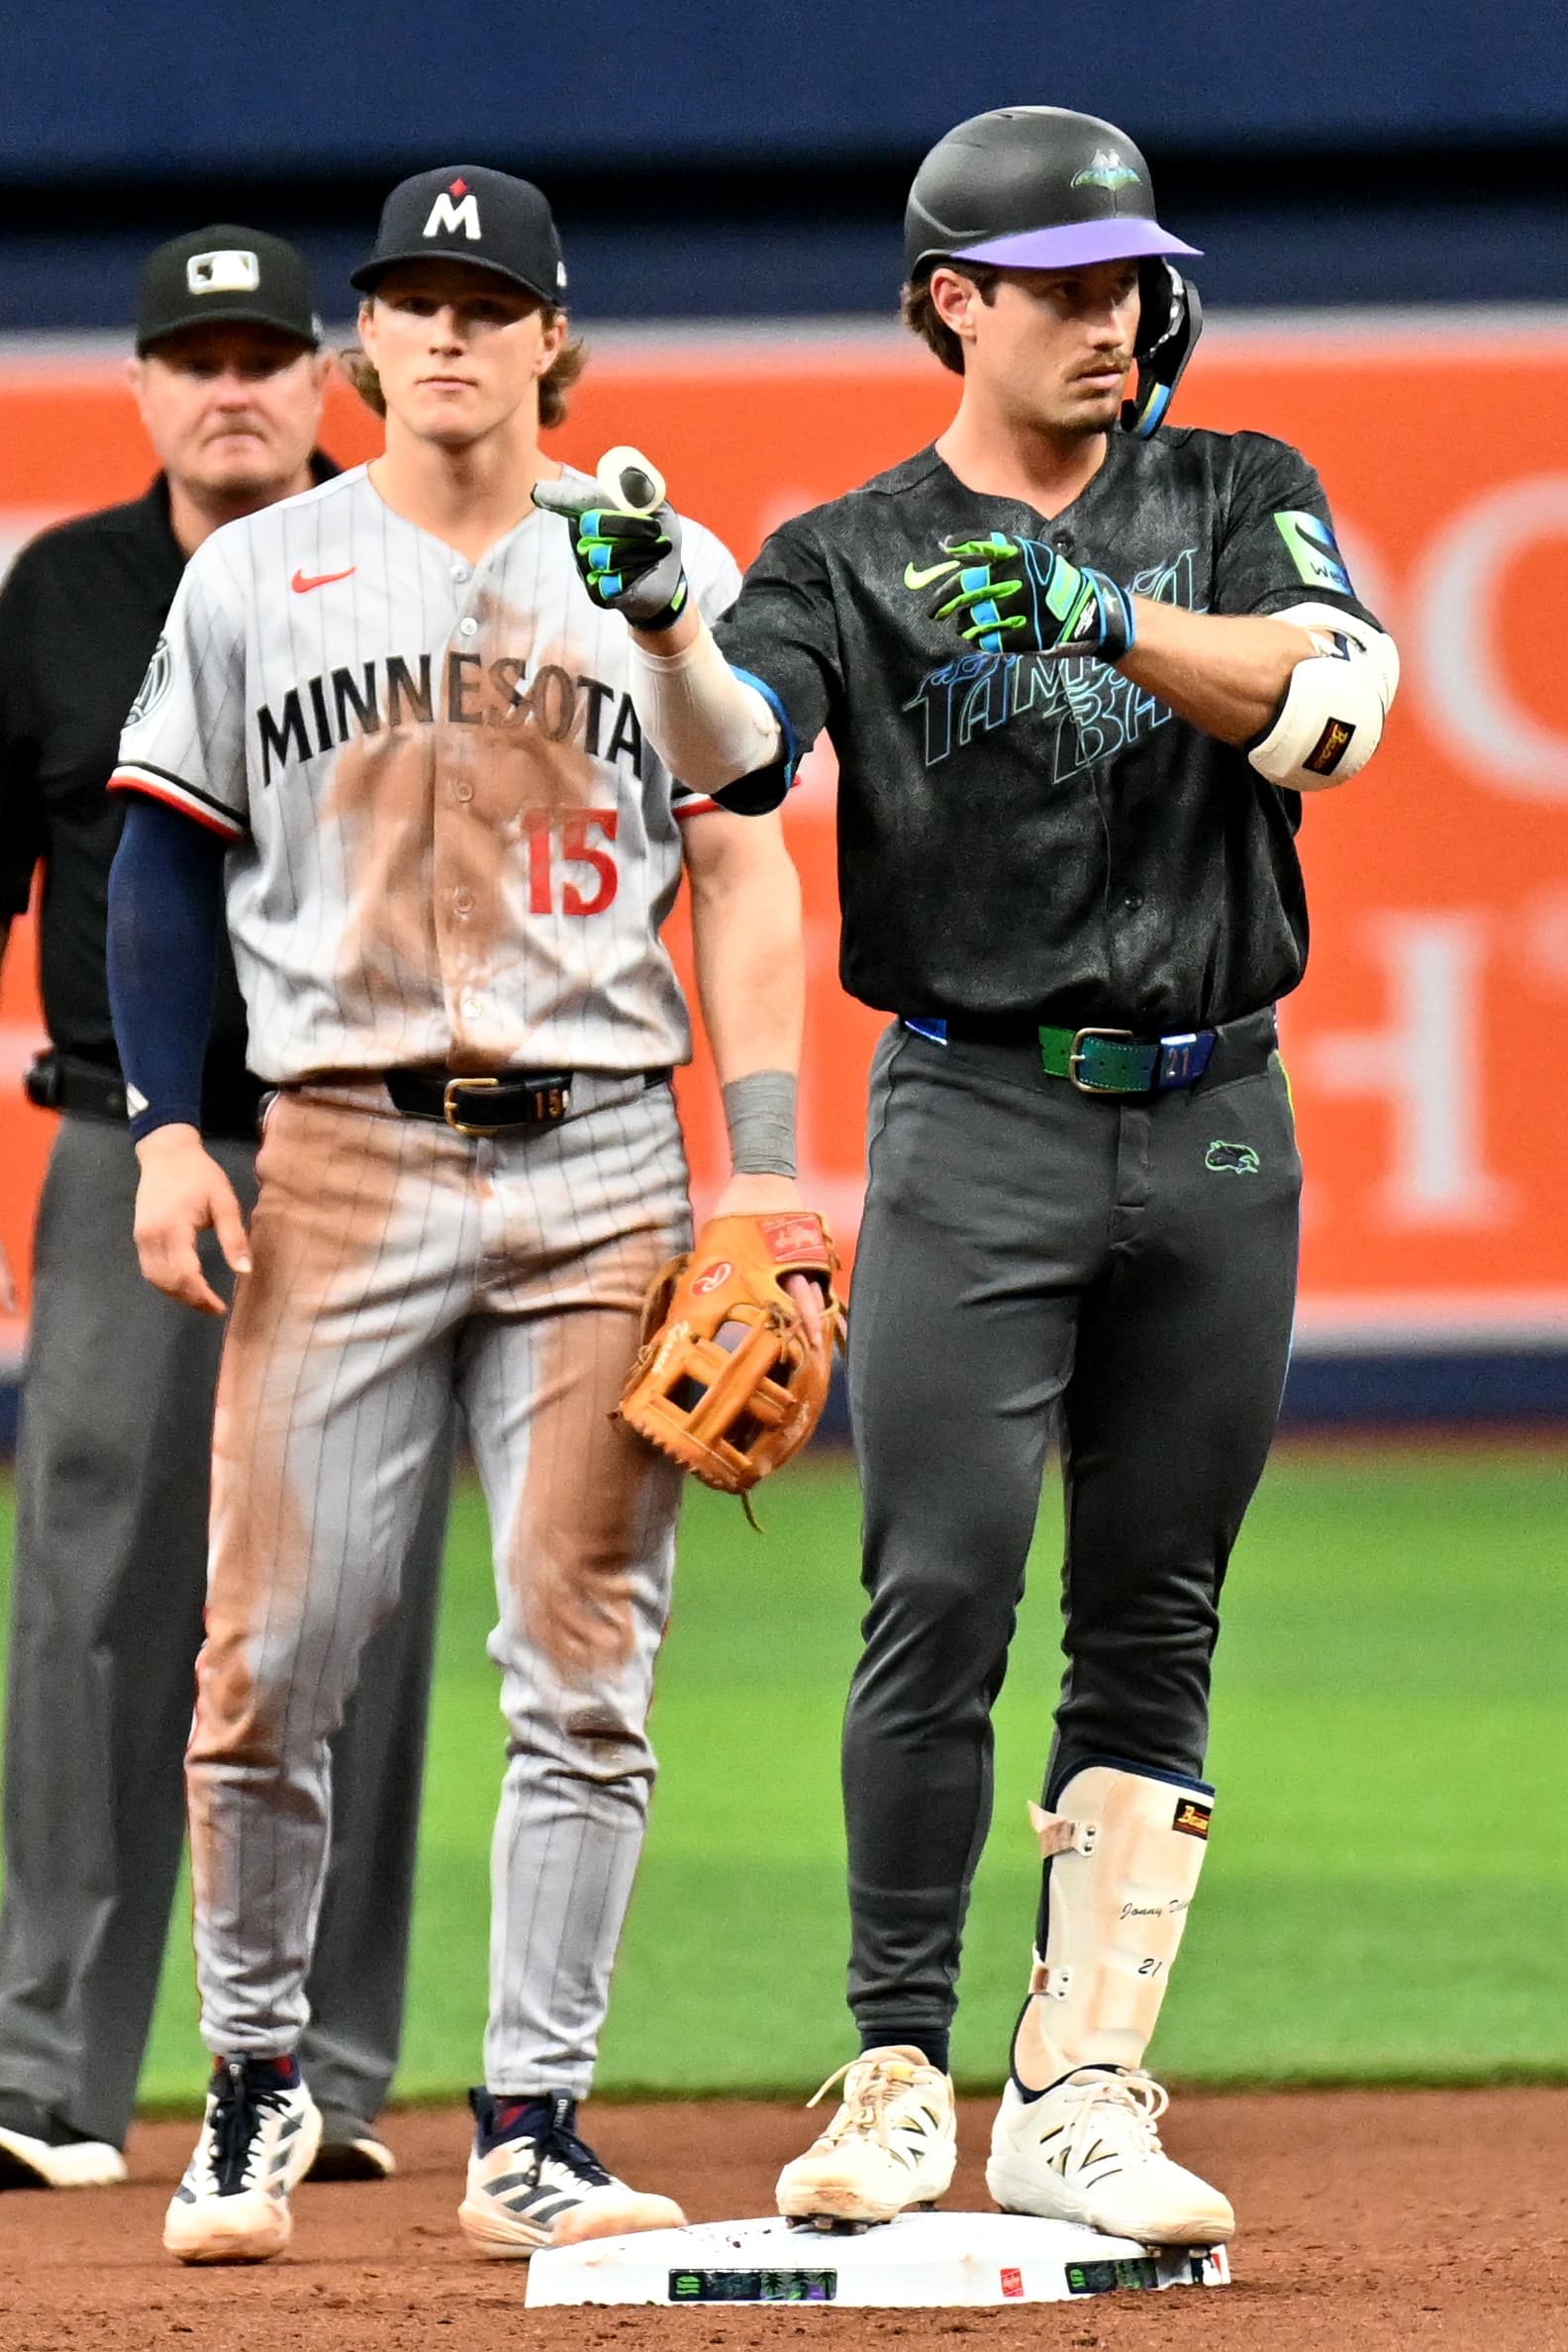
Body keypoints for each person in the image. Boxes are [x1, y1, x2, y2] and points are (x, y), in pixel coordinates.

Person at [542, 105, 1398, 2247]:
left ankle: (1080, 2087)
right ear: (953, 302)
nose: (1114, 319)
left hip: (1216, 1110)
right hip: (978, 1111)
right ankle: (902, 2070)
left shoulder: (1236, 490)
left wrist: (1110, 618)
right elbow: (746, 752)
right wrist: (667, 630)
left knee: (1156, 1605)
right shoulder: (851, 549)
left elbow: (1336, 711)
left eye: (1130, 284)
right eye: (1063, 287)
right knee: (938, 1587)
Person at [106, 164, 813, 2267]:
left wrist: (768, 1156)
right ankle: (255, 2087)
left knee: (584, 1668)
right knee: (273, 1655)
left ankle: (534, 2124)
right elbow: (160, 862)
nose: (443, 332)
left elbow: (747, 831)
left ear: (549, 340)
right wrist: (168, 1129)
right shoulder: (260, 573)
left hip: (603, 1163)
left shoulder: (651, 560)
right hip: (337, 1151)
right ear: (366, 343)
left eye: (485, 304)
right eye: (410, 301)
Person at [0, 225, 447, 2193]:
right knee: (94, 1596)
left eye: (267, 354)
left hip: (378, 1147)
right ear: (142, 387)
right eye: (196, 356)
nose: (233, 386)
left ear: (324, 378)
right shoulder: (65, 593)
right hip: (131, 1145)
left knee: (360, 1602)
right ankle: (47, 2072)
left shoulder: (414, 568)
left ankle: (320, 2076)